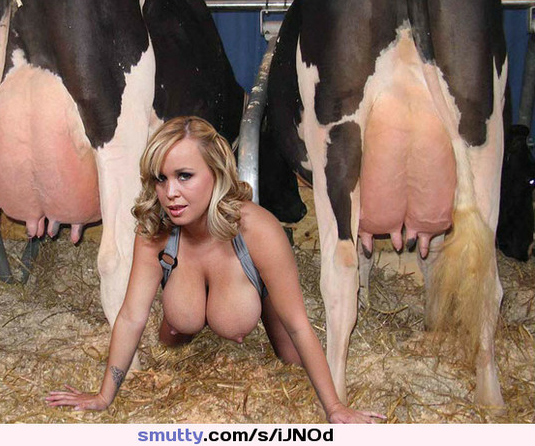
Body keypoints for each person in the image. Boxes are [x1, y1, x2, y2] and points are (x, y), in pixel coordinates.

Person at [45, 116, 384, 423]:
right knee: (173, 337)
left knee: (291, 358)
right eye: (161, 179)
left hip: (250, 291)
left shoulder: (258, 229)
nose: (170, 193)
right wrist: (104, 396)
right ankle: (184, 317)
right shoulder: (154, 231)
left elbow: (298, 324)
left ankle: (260, 298)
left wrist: (334, 407)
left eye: (185, 176)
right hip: (184, 302)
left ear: (217, 172)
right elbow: (132, 316)